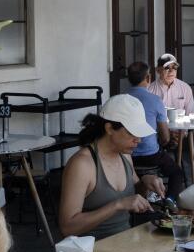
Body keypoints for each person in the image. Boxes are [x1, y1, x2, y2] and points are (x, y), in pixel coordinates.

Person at [58, 94, 165, 239]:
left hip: (124, 244)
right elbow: (67, 227)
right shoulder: (82, 165)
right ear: (109, 128)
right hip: (90, 250)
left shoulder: (125, 155)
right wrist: (117, 205)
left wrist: (145, 182)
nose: (138, 139)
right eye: (132, 132)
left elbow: (133, 194)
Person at [124, 61, 185, 195]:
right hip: (150, 155)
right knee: (177, 172)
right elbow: (165, 137)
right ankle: (169, 201)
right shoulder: (155, 100)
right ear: (148, 78)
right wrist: (164, 143)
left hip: (125, 154)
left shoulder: (121, 99)